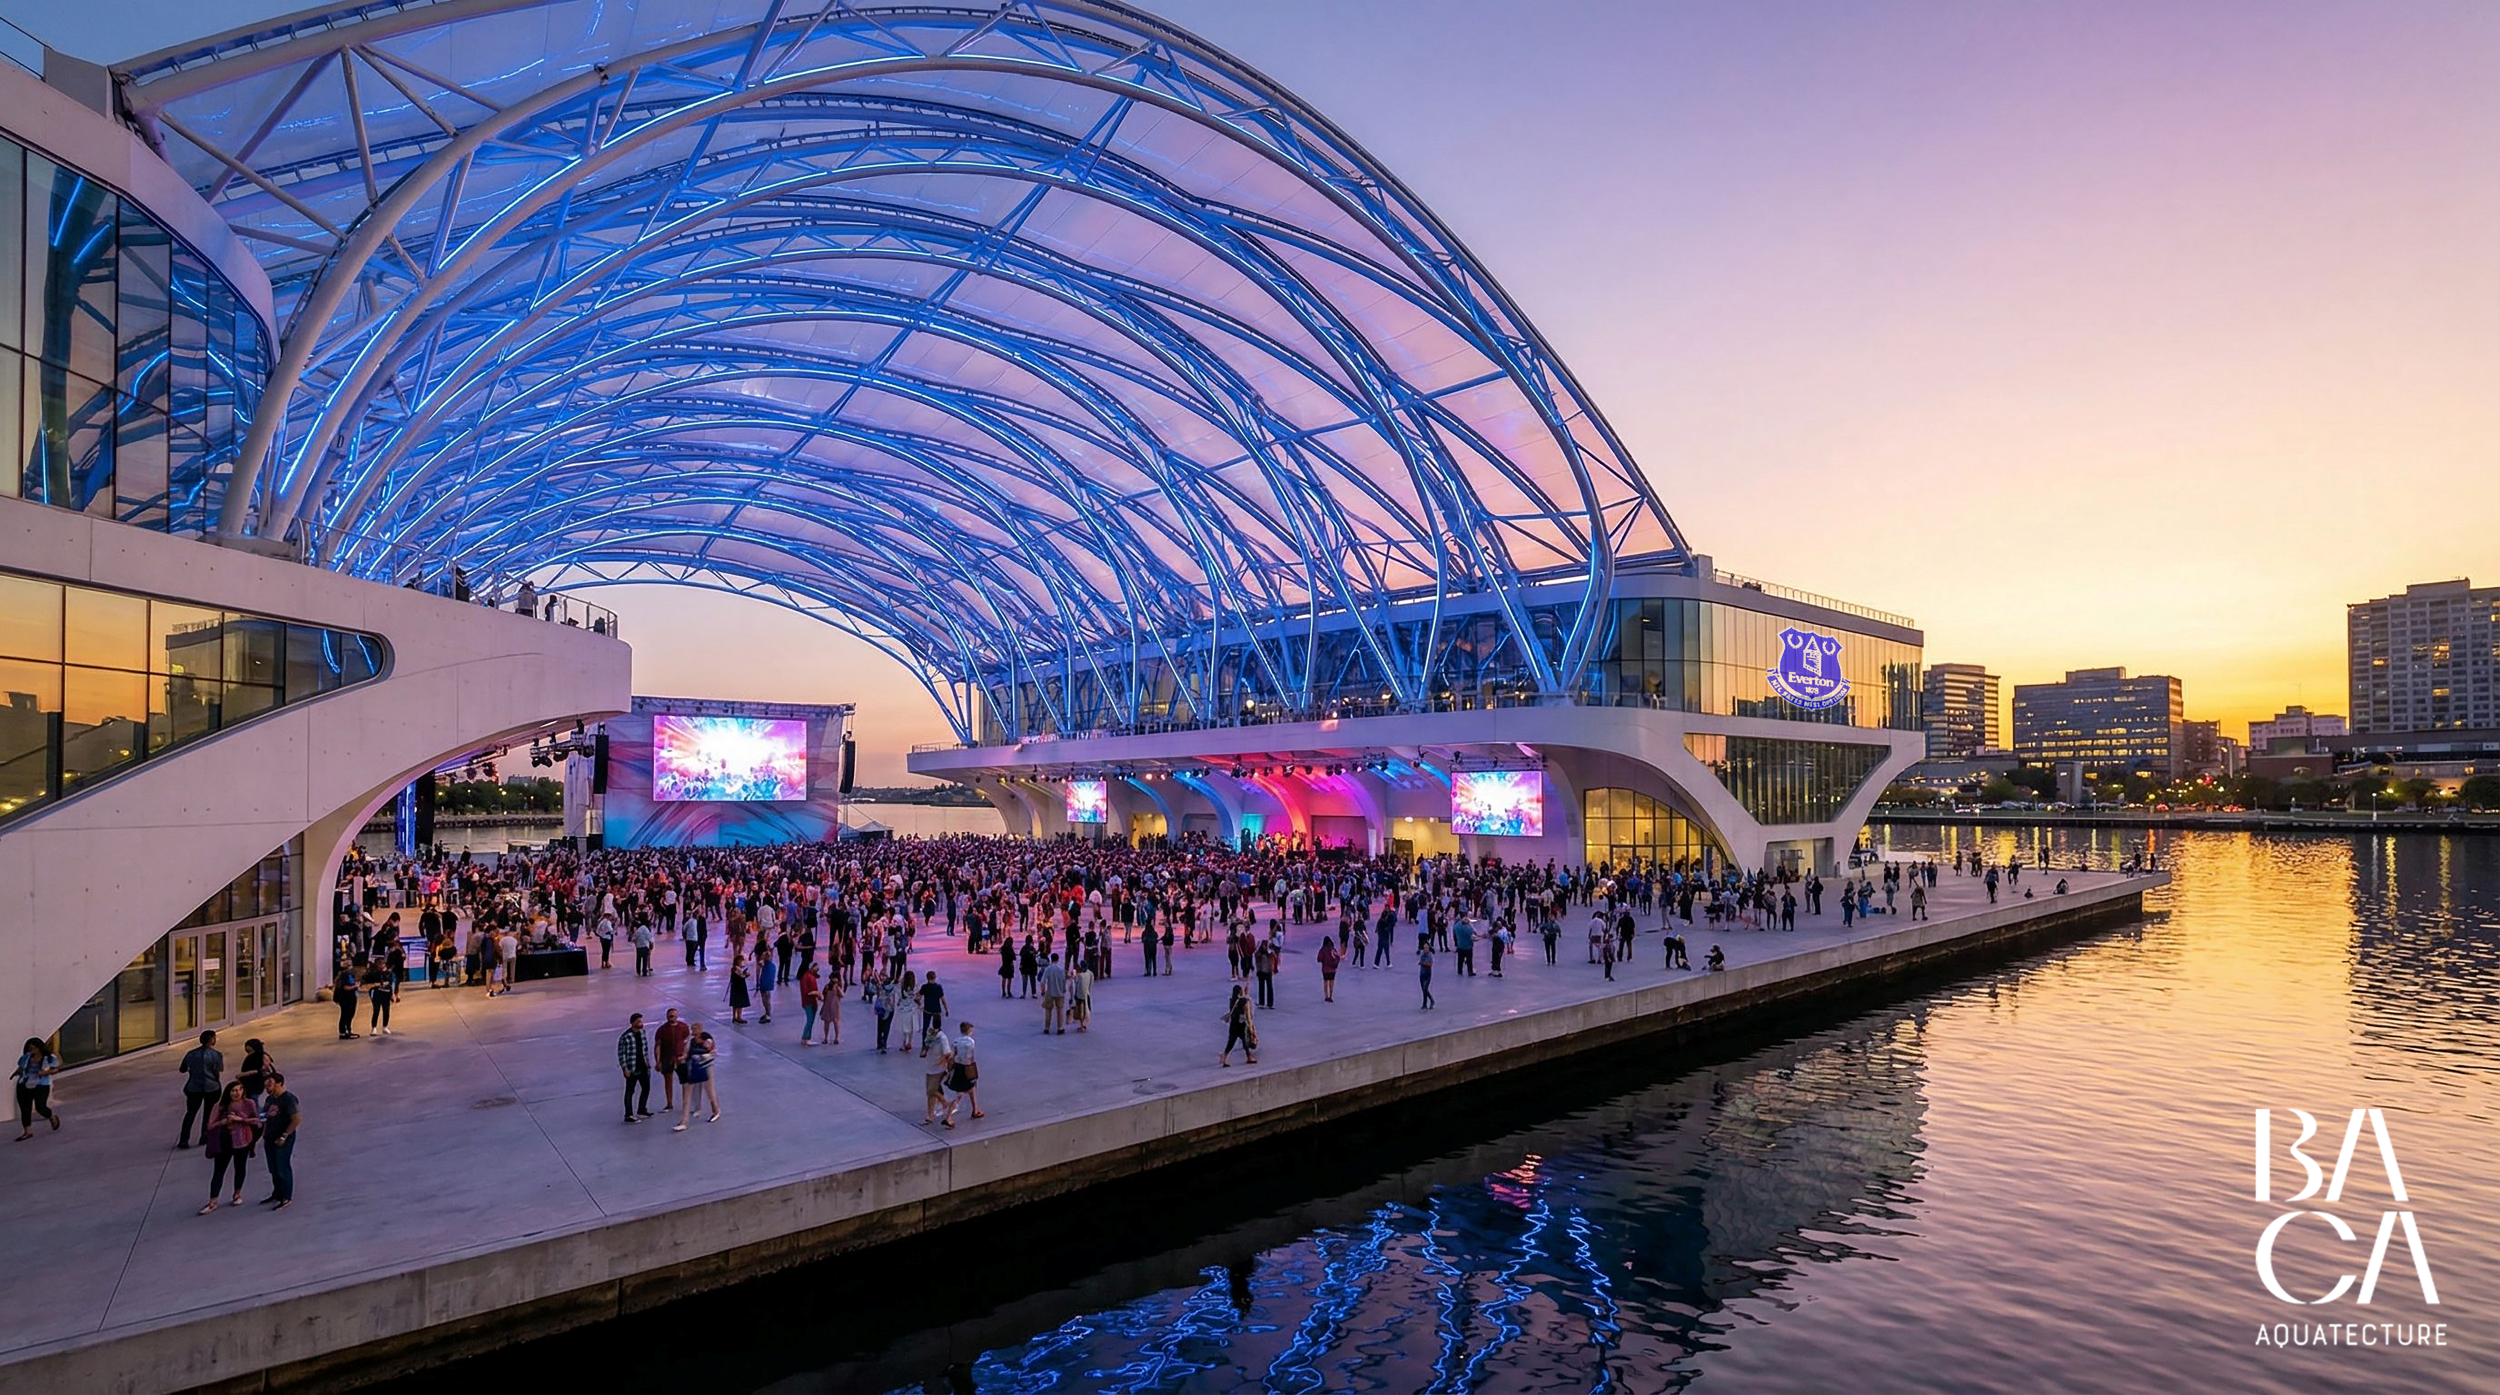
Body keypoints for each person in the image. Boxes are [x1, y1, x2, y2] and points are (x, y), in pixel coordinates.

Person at [198, 1080, 262, 1213]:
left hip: (243, 1141)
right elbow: (210, 1125)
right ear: (228, 1092)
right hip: (225, 1142)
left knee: (240, 1167)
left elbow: (257, 1121)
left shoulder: (249, 1103)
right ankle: (213, 1201)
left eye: (239, 1089)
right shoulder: (220, 1106)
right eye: (233, 1090)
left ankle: (237, 1193)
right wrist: (223, 1121)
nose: (237, 1093)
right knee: (219, 1171)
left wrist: (241, 1119)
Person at [258, 1072, 299, 1208]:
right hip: (270, 1137)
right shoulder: (270, 1099)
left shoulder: (288, 1099)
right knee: (273, 1168)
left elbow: (296, 1119)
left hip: (283, 1137)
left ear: (279, 1083)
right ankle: (277, 1193)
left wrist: (284, 1136)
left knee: (282, 1166)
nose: (267, 1087)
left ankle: (286, 1196)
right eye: (265, 1085)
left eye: (270, 1084)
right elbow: (265, 1117)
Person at [176, 1030, 223, 1149]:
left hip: (194, 1087)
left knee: (190, 1113)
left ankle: (184, 1139)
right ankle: (204, 1136)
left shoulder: (191, 1054)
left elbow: (182, 1069)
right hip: (211, 1087)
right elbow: (217, 1071)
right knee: (208, 1113)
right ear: (212, 1040)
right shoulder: (216, 1054)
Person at [12, 1038, 60, 1140]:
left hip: (41, 1084)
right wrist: (17, 1072)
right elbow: (21, 1067)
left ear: (39, 1048)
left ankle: (51, 1116)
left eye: (33, 1048)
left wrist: (46, 1072)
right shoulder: (26, 1057)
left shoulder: (49, 1058)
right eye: (29, 1048)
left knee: (40, 1107)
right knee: (25, 1108)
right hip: (24, 1083)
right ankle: (27, 1131)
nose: (31, 1050)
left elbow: (55, 1069)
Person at [673, 1026, 719, 1130]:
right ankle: (684, 1121)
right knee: (687, 1094)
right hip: (693, 1068)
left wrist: (702, 1057)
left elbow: (712, 1052)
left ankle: (715, 1110)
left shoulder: (707, 1039)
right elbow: (686, 1053)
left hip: (706, 1068)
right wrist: (683, 1058)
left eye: (694, 1029)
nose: (692, 1031)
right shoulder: (691, 1041)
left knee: (709, 1091)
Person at [654, 1009, 691, 1114]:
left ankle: (686, 1103)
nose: (672, 1018)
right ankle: (669, 1103)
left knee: (684, 1082)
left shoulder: (683, 1027)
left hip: (680, 1058)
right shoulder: (662, 1030)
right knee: (668, 1081)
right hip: (666, 1058)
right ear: (667, 1016)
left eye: (673, 1016)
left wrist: (686, 1055)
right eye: (670, 1016)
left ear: (677, 1016)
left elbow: (686, 1041)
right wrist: (658, 1061)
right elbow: (658, 1046)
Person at [619, 1013, 654, 1123]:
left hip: (643, 1066)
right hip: (632, 1068)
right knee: (630, 1091)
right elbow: (621, 1054)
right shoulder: (626, 1036)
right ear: (633, 1022)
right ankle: (628, 1115)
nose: (641, 1023)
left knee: (646, 1087)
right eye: (638, 1021)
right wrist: (625, 1069)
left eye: (641, 1021)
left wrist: (647, 1062)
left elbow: (645, 1048)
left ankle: (642, 1110)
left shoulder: (642, 1033)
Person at [946, 1021, 982, 1123]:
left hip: (958, 1068)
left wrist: (949, 1068)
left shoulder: (956, 1041)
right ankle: (948, 1117)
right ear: (969, 1031)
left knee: (971, 1088)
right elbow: (971, 1056)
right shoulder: (970, 1042)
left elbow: (951, 1056)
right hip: (967, 1068)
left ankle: (975, 1109)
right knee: (961, 1093)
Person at [1219, 984, 1257, 1066]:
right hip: (1241, 1025)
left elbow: (1242, 997)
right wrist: (1251, 1028)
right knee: (1245, 1041)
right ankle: (1249, 1057)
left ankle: (1224, 1057)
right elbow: (1247, 1015)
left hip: (1233, 1024)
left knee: (1231, 1041)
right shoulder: (1245, 1002)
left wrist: (1245, 991)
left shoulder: (1232, 1000)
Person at [922, 1032, 953, 1126]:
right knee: (931, 1091)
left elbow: (947, 1052)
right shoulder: (930, 1036)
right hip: (931, 1067)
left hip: (939, 1068)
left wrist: (946, 1064)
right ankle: (930, 1115)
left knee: (931, 1090)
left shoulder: (942, 1038)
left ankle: (945, 1103)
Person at [918, 971, 947, 1056]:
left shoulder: (924, 987)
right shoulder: (938, 987)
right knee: (937, 1028)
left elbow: (918, 997)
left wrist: (920, 1004)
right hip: (936, 1010)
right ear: (935, 977)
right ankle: (938, 1044)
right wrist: (946, 1009)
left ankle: (924, 1045)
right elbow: (943, 999)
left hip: (927, 1010)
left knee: (925, 1028)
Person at [365, 957, 395, 1036]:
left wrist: (392, 995)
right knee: (376, 1010)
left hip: (386, 994)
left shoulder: (389, 973)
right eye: (379, 964)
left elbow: (391, 985)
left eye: (382, 964)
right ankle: (374, 1028)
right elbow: (366, 984)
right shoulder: (372, 974)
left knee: (386, 1010)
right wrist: (374, 985)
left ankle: (385, 1027)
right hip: (376, 994)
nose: (381, 966)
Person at [1040, 954, 1067, 1035]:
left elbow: (1042, 981)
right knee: (1060, 1010)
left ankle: (1046, 1028)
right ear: (1058, 959)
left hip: (1050, 992)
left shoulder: (1048, 969)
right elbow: (1063, 981)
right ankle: (1060, 1028)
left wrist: (1043, 990)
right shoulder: (1061, 969)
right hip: (1059, 992)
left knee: (1048, 1010)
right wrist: (1063, 990)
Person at [333, 963, 361, 1038]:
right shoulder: (345, 975)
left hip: (352, 996)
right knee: (345, 1014)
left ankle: (348, 1030)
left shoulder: (351, 975)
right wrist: (355, 986)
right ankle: (343, 1032)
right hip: (345, 997)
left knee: (350, 1014)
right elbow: (345, 987)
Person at [1316, 934, 1341, 1002]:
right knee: (1331, 982)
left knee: (1325, 982)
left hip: (1325, 969)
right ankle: (1331, 996)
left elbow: (1319, 959)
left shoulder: (1323, 949)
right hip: (1333, 969)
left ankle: (1326, 996)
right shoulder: (1333, 949)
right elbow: (1338, 957)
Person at [728, 955, 751, 1024]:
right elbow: (741, 976)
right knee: (738, 1003)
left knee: (737, 1003)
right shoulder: (736, 969)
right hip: (738, 988)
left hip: (738, 987)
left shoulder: (736, 969)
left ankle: (736, 1017)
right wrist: (746, 974)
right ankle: (737, 1017)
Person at [1418, 944, 1436, 1010]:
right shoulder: (1422, 954)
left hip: (1427, 974)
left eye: (1427, 948)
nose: (1425, 949)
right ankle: (1424, 1004)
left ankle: (1431, 1000)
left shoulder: (1430, 955)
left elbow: (1430, 964)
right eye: (1424, 948)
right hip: (1422, 974)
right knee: (1423, 990)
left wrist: (1423, 963)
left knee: (1425, 988)